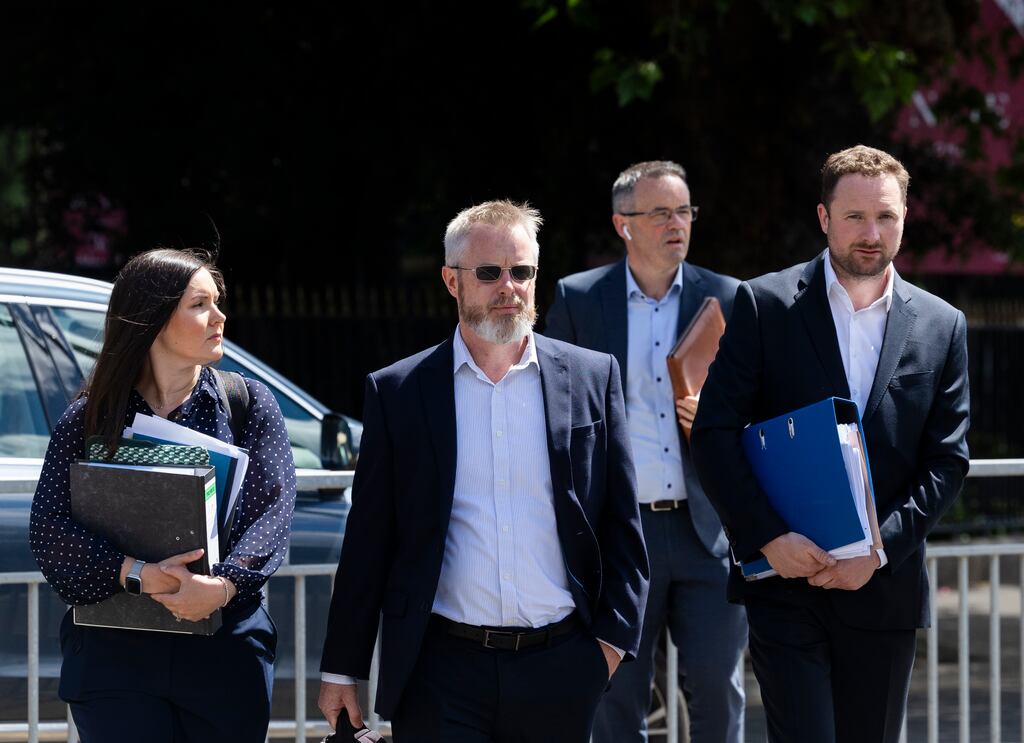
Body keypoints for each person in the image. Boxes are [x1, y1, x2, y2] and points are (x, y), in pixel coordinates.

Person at [317, 200, 649, 742]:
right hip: (441, 671)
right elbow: (369, 539)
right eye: (489, 272)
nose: (508, 287)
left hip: (562, 667)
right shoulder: (399, 392)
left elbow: (622, 528)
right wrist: (341, 668)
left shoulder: (591, 377)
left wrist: (605, 651)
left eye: (521, 272)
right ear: (452, 281)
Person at [691, 145, 970, 742]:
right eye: (854, 217)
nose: (872, 233)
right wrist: (769, 537)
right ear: (823, 218)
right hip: (788, 585)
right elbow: (714, 434)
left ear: (904, 217)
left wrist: (879, 550)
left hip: (882, 590)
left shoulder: (943, 324)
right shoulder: (764, 305)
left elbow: (947, 461)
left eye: (886, 216)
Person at [29, 248, 297, 742]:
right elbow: (50, 529)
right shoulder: (89, 420)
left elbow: (272, 515)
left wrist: (222, 588)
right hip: (115, 655)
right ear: (153, 318)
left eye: (217, 302)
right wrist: (137, 576)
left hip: (224, 650)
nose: (219, 317)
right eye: (200, 305)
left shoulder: (248, 404)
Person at [545, 160, 747, 743]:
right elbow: (553, 411)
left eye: (684, 210)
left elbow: (765, 407)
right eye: (660, 212)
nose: (676, 223)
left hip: (708, 529)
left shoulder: (729, 298)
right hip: (620, 532)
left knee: (717, 688)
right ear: (623, 224)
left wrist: (722, 416)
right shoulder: (579, 300)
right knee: (616, 696)